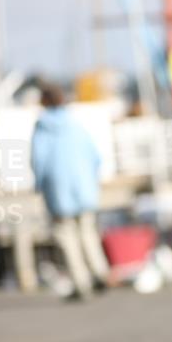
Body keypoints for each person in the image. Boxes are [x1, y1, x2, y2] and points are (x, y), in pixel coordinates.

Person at [30, 81, 111, 301]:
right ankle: (100, 272)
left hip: (58, 188)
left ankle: (81, 282)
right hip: (84, 185)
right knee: (87, 231)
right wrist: (92, 178)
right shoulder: (76, 124)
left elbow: (39, 160)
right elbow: (95, 156)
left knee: (66, 236)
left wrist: (38, 185)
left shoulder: (42, 126)